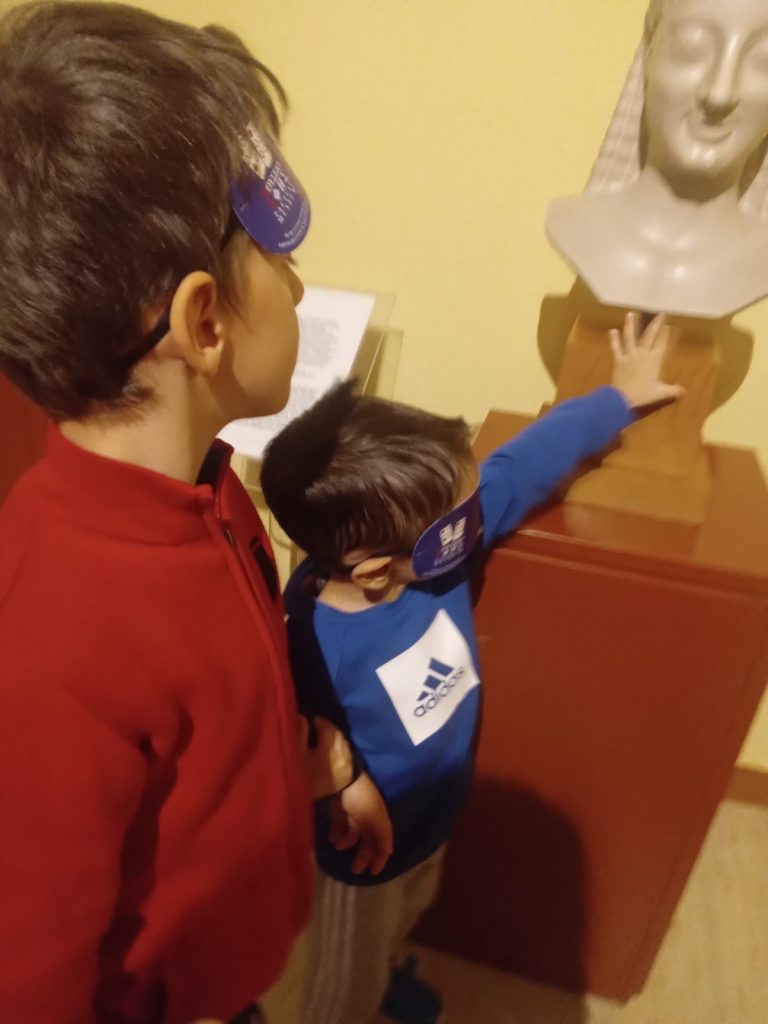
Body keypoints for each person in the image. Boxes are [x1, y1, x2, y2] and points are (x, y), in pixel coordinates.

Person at [0, 3, 350, 1022]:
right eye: (274, 256)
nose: (297, 284)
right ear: (204, 320)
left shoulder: (208, 486)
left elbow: (213, 724)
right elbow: (28, 976)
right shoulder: (52, 641)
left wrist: (291, 780)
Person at [259, 313, 682, 1024]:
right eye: (460, 522)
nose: (477, 521)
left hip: (434, 812)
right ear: (374, 570)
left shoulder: (439, 548)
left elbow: (522, 463)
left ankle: (387, 978)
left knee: (410, 914)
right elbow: (283, 737)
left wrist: (618, 399)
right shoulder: (312, 639)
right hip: (361, 852)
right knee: (343, 980)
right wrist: (345, 784)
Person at [546, 0, 768, 318]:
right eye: (693, 47)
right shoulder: (574, 225)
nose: (720, 94)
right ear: (649, 51)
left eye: (763, 61)